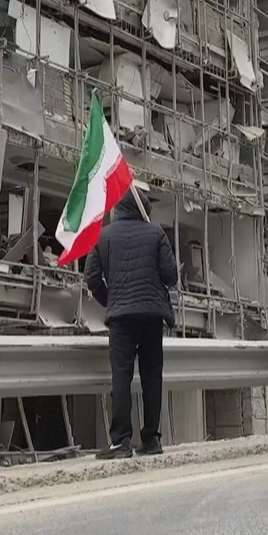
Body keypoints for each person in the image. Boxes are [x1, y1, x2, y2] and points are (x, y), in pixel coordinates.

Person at [85, 188, 178, 459]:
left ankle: (121, 442)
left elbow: (91, 277)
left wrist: (111, 299)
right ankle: (151, 438)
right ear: (143, 210)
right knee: (152, 376)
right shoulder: (156, 233)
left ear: (118, 209)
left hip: (121, 317)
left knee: (121, 376)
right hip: (151, 313)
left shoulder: (104, 235)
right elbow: (171, 276)